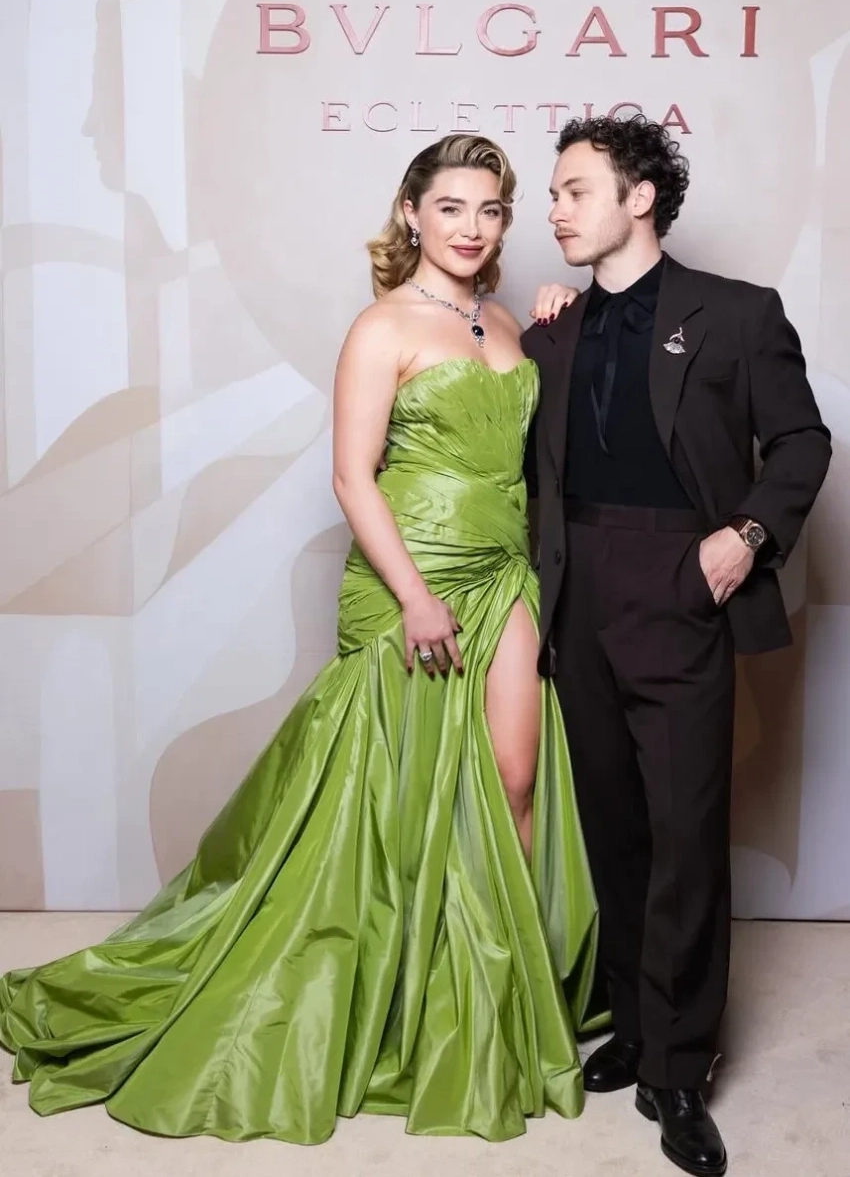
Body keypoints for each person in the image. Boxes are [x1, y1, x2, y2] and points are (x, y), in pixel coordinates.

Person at [0, 134, 605, 1146]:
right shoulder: (382, 326)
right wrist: (413, 597)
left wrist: (564, 316)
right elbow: (351, 477)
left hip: (504, 570)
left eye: (491, 209)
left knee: (513, 776)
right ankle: (398, 989)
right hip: (414, 578)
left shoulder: (508, 320)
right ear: (411, 212)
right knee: (397, 786)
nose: (472, 227)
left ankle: (495, 995)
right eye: (451, 206)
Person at [522, 115, 832, 1177]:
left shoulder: (737, 314)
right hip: (577, 592)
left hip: (682, 582)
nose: (554, 210)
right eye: (552, 194)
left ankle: (681, 1068)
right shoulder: (552, 332)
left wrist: (745, 536)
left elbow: (801, 441)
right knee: (614, 829)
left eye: (573, 190)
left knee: (685, 834)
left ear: (639, 197)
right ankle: (634, 1026)